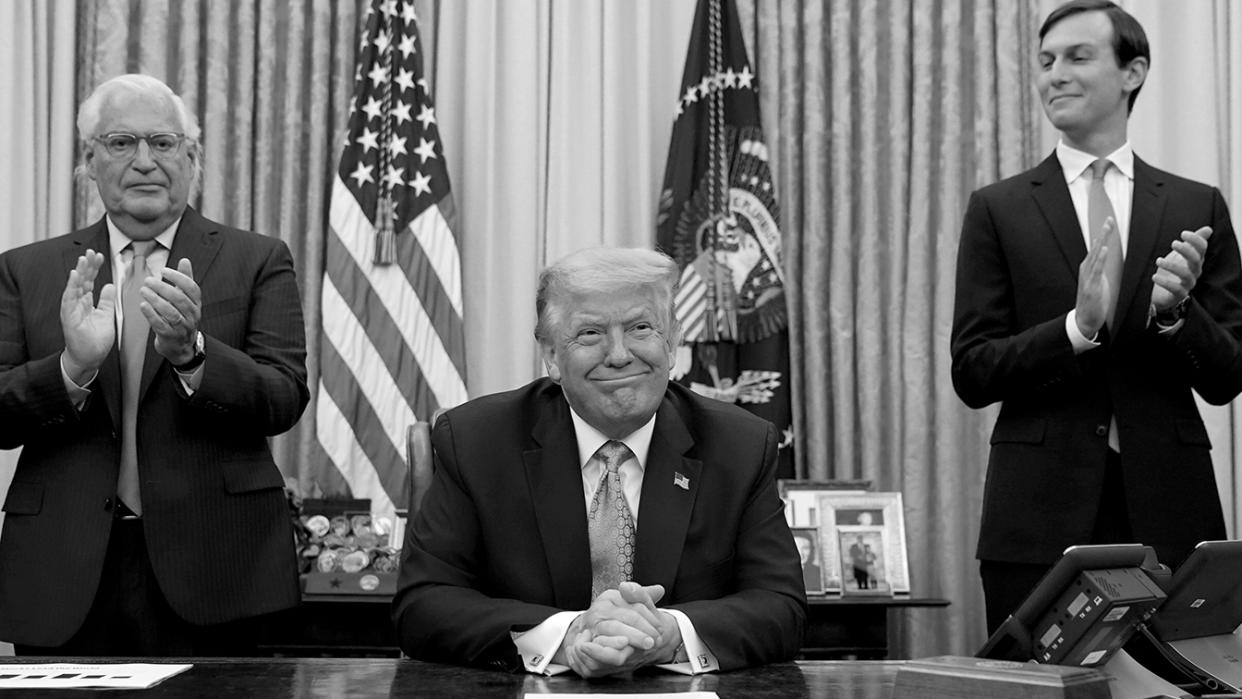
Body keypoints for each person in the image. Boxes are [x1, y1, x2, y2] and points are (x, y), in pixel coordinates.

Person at [951, 0, 1242, 633]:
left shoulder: (1198, 205)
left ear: (1132, 72)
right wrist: (1075, 330)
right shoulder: (998, 208)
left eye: (1078, 57)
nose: (1054, 74)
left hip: (1171, 508)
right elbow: (972, 371)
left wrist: (1177, 316)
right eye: (1046, 61)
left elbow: (1227, 377)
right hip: (1035, 516)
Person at [0, 74, 309, 655]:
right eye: (121, 143)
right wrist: (72, 369)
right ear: (89, 161)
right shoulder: (27, 270)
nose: (145, 160)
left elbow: (285, 396)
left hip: (219, 572)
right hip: (65, 572)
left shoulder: (258, 259)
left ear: (191, 158)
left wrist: (194, 356)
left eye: (163, 143)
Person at [392, 247, 806, 676]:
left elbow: (781, 607)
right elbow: (423, 605)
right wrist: (567, 636)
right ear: (551, 355)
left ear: (673, 340)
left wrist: (668, 636)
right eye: (590, 333)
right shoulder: (477, 441)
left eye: (641, 327)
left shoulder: (739, 444)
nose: (619, 354)